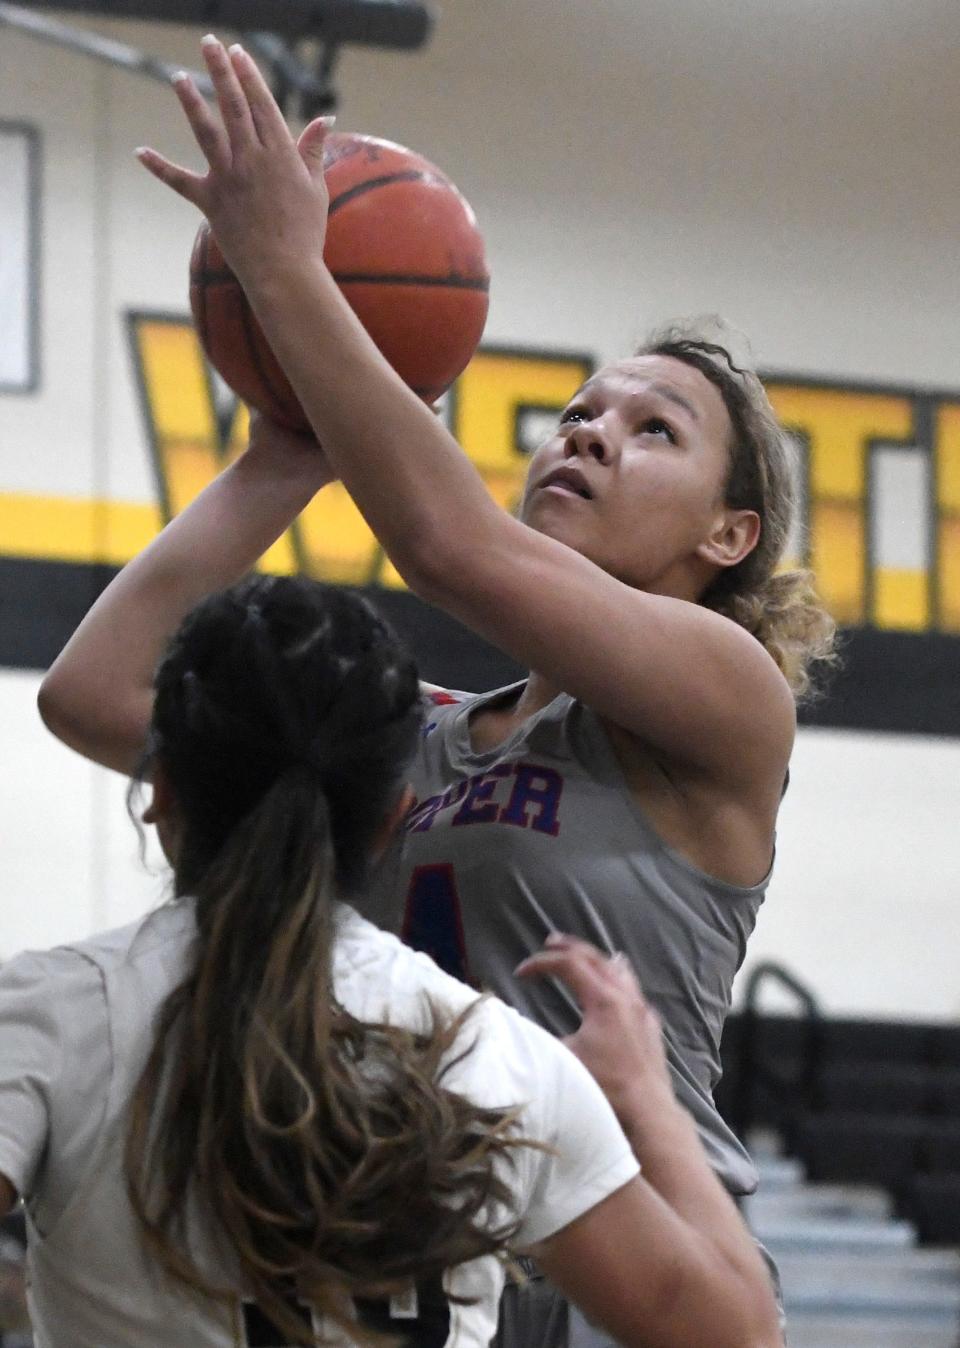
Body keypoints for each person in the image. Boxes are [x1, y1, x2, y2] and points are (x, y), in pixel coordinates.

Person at [35, 33, 832, 1342]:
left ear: (729, 537)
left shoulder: (729, 695)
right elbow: (95, 695)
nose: (588, 431)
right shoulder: (413, 734)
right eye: (579, 411)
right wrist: (279, 457)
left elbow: (454, 546)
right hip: (402, 1259)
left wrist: (293, 273)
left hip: (623, 1265)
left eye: (651, 430)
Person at [4, 575, 780, 1347]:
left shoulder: (56, 1009)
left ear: (159, 791)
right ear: (394, 820)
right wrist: (649, 1102)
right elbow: (737, 1336)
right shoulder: (501, 1059)